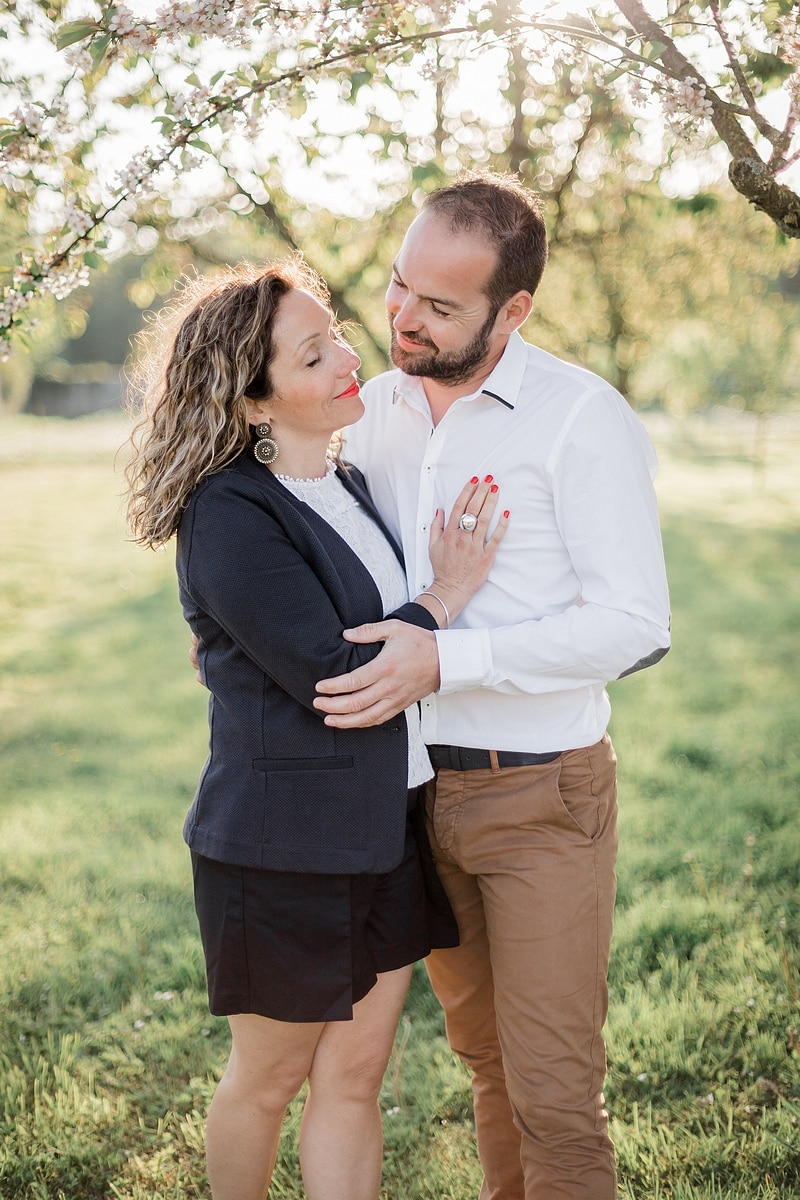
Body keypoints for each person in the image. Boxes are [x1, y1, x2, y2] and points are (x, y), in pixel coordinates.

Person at [313, 171, 672, 1200]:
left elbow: (632, 625)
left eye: (439, 306)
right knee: (485, 1065)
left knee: (554, 1094)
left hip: (539, 796)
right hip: (412, 799)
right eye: (396, 286)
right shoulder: (370, 409)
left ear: (512, 309)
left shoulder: (575, 417)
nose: (402, 319)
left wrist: (447, 656)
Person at [124, 256, 509, 1200]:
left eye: (334, 329)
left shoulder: (349, 483)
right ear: (255, 403)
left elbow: (355, 671)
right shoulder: (226, 515)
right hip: (281, 854)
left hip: (385, 831)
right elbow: (342, 679)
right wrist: (444, 597)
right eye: (312, 357)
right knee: (266, 1084)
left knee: (354, 1080)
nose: (348, 357)